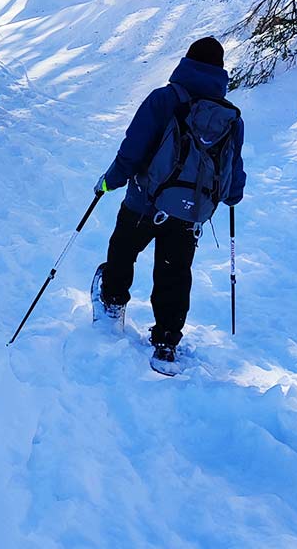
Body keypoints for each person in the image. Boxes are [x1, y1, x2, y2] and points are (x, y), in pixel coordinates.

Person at [92, 37, 246, 368]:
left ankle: (112, 302)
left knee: (122, 250)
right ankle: (166, 342)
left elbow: (132, 150)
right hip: (190, 212)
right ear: (220, 72)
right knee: (174, 272)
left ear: (186, 61)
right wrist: (232, 196)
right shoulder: (230, 116)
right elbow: (234, 167)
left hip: (144, 201)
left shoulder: (164, 99)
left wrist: (109, 182)